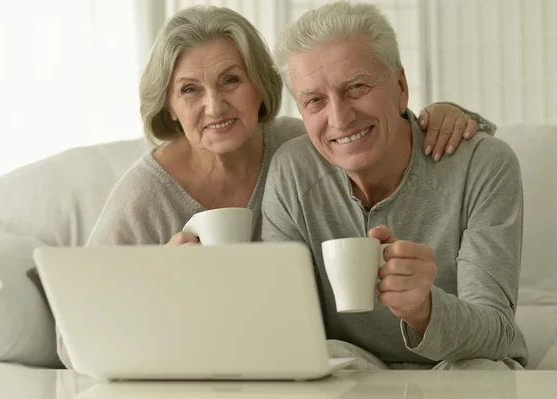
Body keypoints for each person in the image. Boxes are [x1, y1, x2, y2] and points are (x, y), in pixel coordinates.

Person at [55, 5, 495, 368]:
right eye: (190, 90)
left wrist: (446, 113)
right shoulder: (144, 196)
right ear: (169, 108)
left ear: (260, 89)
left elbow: (371, 121)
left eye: (231, 79)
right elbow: (74, 336)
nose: (214, 105)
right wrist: (165, 296)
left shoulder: (302, 144)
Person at [262, 1, 527, 370]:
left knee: (477, 366)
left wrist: (424, 308)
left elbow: (496, 332)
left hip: (463, 367)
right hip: (351, 372)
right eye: (315, 101)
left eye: (357, 87)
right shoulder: (292, 171)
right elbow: (284, 328)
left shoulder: (483, 164)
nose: (339, 118)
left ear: (400, 86)